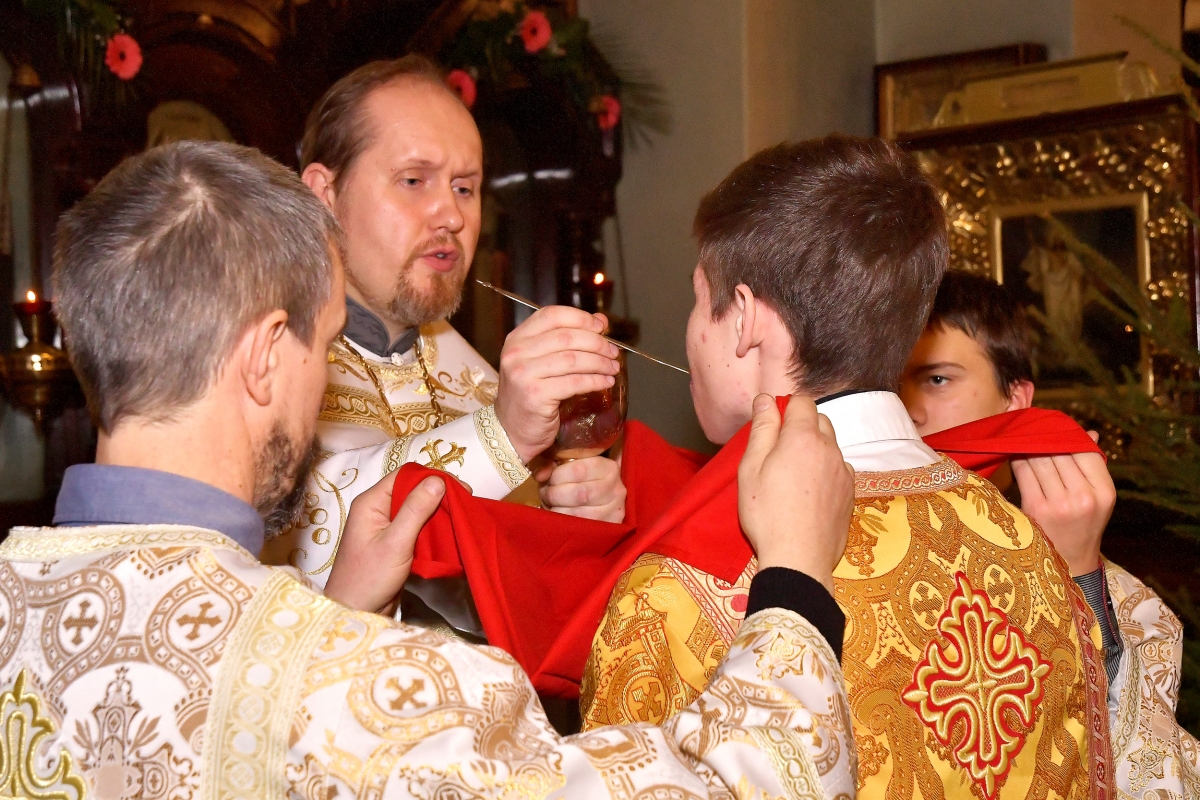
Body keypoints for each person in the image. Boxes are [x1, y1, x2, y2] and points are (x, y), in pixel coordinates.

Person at [2, 140, 860, 799]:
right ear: (266, 354)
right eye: (328, 342)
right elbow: (740, 785)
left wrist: (339, 607)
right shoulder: (377, 689)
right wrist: (793, 579)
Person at [581, 135, 1114, 798]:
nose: (691, 330)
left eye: (698, 300)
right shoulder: (1031, 547)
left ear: (744, 317)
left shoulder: (680, 592)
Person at [260, 56, 626, 638]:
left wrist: (577, 521)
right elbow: (319, 526)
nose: (451, 215)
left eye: (465, 188)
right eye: (414, 181)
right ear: (323, 196)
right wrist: (501, 435)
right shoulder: (260, 356)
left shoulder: (478, 375)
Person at [899, 270, 1200, 796]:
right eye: (887, 386)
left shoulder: (1133, 609)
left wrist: (1075, 576)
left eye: (937, 379)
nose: (909, 410)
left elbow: (1137, 771)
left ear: (1015, 402)